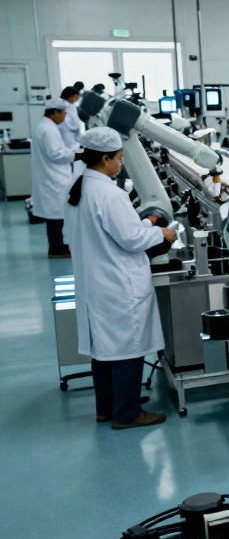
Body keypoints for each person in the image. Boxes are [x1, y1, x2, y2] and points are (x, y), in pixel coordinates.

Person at [65, 127, 176, 430]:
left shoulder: (80, 187)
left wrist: (146, 221)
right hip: (117, 284)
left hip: (95, 280)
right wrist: (162, 232)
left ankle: (107, 407)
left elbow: (114, 230)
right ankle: (127, 414)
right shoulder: (110, 194)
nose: (121, 163)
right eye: (119, 158)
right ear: (105, 159)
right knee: (128, 346)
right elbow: (131, 240)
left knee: (103, 348)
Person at [31, 99, 76, 258]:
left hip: (52, 177)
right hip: (54, 178)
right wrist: (75, 154)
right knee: (55, 217)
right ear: (55, 112)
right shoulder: (48, 129)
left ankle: (58, 246)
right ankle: (56, 250)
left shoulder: (46, 126)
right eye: (63, 113)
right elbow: (55, 154)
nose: (64, 116)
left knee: (56, 216)